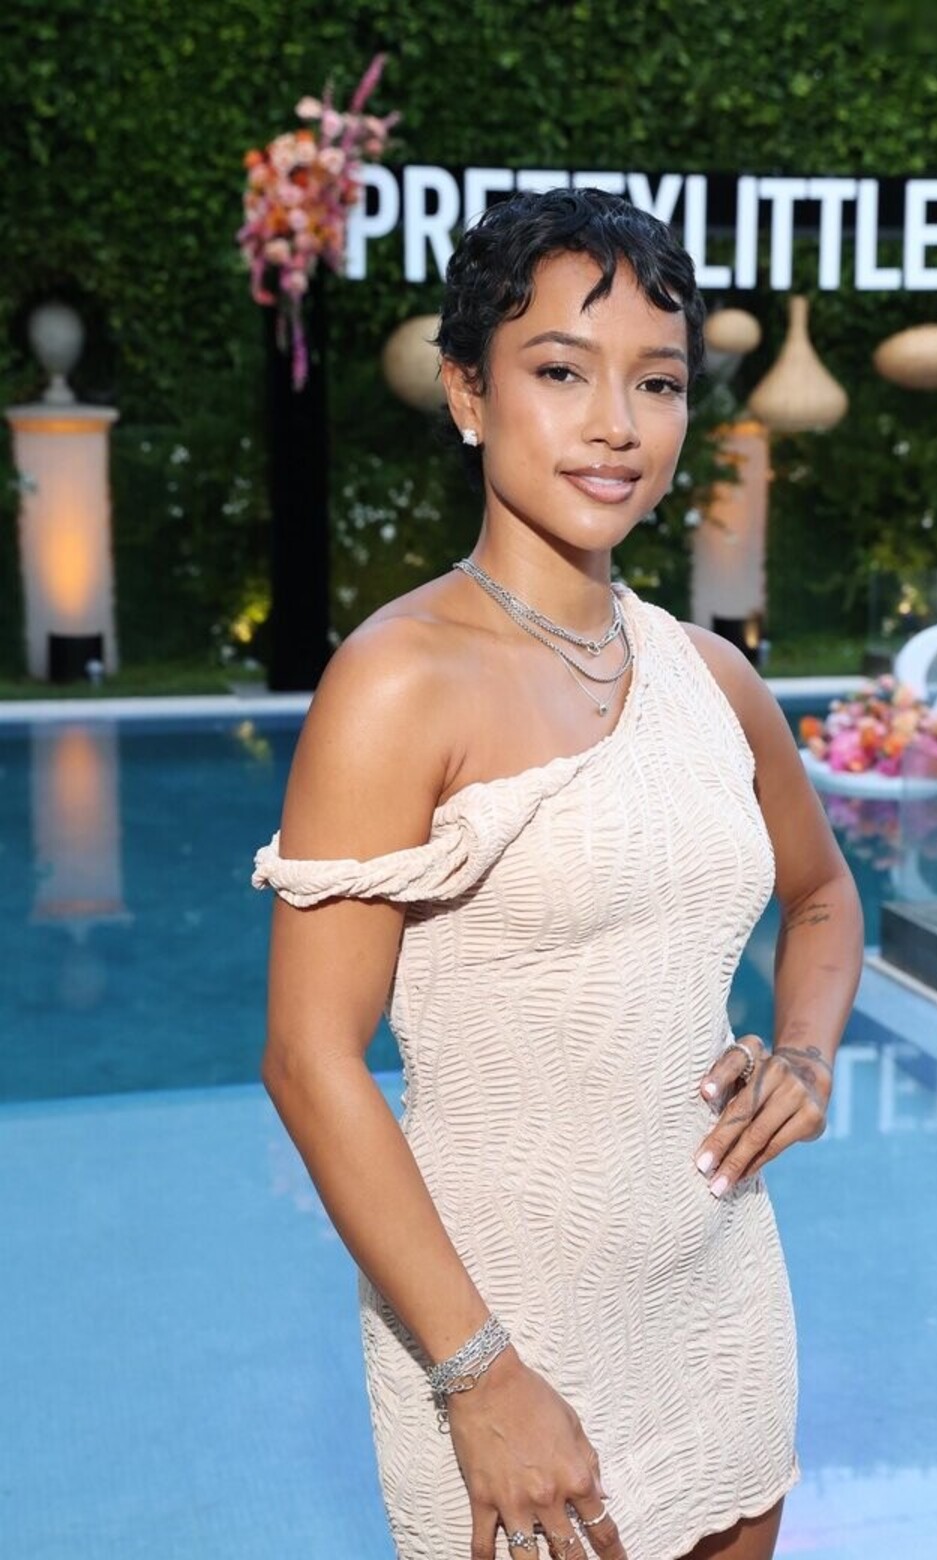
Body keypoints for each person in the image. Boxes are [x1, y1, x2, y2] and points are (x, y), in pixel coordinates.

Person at [253, 188, 863, 1560]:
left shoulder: (715, 679)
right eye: (561, 372)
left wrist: (807, 1060)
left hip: (721, 1308)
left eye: (658, 382)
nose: (616, 425)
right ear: (468, 393)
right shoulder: (397, 682)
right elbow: (308, 1058)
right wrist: (479, 1378)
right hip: (496, 1338)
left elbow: (825, 898)